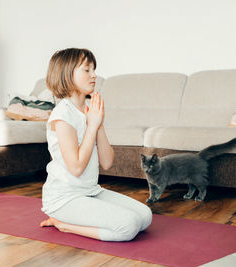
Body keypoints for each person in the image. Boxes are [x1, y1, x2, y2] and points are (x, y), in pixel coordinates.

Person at [40, 48, 152, 241]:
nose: (94, 75)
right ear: (67, 74)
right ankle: (64, 225)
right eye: (87, 70)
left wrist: (98, 123)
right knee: (129, 226)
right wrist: (92, 125)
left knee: (145, 217)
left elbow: (107, 162)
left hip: (90, 191)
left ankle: (72, 221)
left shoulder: (89, 110)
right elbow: (75, 168)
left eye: (94, 69)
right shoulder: (62, 115)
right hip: (64, 199)